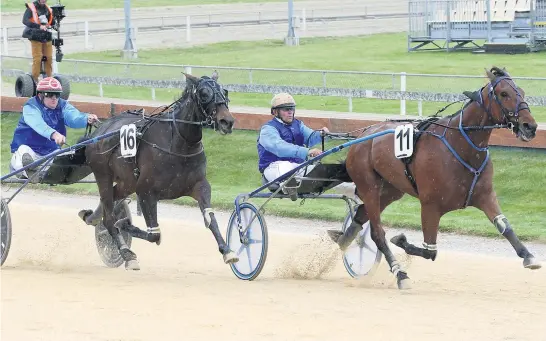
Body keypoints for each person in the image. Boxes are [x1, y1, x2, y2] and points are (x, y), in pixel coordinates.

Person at [10, 77, 99, 181]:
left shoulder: (63, 105)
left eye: (57, 94)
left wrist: (86, 118)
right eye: (49, 94)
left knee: (67, 155)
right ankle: (28, 170)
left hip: (51, 154)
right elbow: (38, 124)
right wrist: (54, 134)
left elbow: (73, 116)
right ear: (40, 95)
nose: (54, 98)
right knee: (23, 151)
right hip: (30, 152)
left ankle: (38, 172)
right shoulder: (30, 107)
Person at [257, 93, 330, 200]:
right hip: (273, 168)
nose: (290, 112)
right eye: (286, 109)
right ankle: (289, 186)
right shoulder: (268, 129)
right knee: (285, 166)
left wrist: (321, 134)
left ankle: (356, 193)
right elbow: (279, 148)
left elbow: (310, 137)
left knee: (326, 171)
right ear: (275, 112)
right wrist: (306, 151)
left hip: (297, 167)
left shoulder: (297, 124)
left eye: (292, 109)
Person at [22, 0, 54, 83]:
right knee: (38, 58)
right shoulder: (31, 8)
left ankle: (49, 79)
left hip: (46, 36)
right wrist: (38, 26)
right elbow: (25, 21)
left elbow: (52, 22)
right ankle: (35, 80)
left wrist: (56, 20)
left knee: (49, 58)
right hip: (35, 36)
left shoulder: (48, 9)